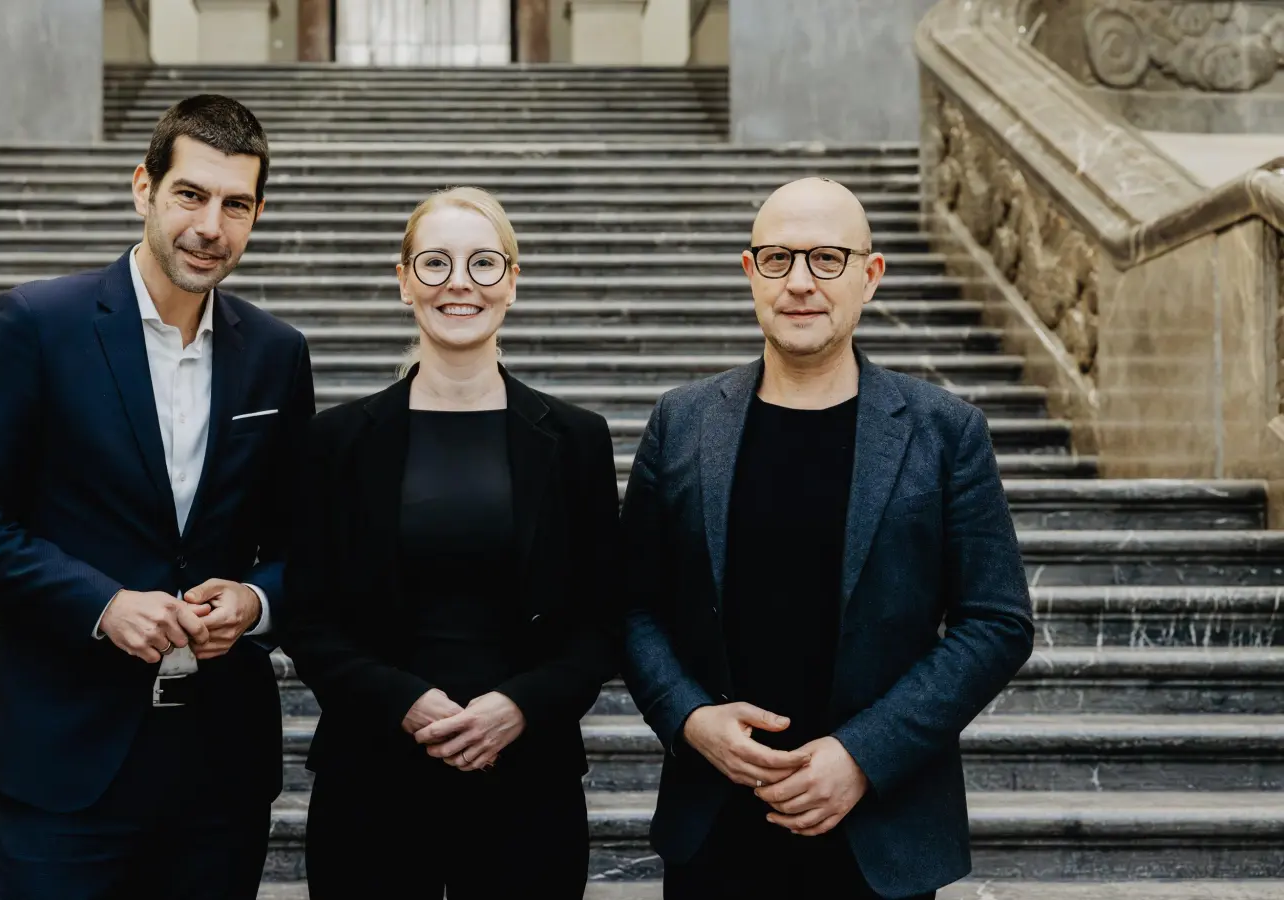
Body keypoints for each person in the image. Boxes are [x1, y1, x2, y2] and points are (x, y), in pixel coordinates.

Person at [0, 95, 314, 899]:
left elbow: (302, 543)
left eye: (235, 205)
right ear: (144, 187)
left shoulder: (278, 354)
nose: (211, 226)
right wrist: (103, 604)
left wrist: (255, 599)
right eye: (191, 195)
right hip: (66, 763)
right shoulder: (36, 324)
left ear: (256, 215)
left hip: (219, 771)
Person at [620, 177, 1035, 900]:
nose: (801, 283)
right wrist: (691, 720)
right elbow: (630, 605)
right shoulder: (682, 424)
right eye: (778, 259)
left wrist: (862, 755)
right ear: (750, 274)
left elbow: (996, 622)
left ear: (870, 276)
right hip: (716, 826)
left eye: (828, 259)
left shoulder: (945, 431)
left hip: (881, 830)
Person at [279, 186, 619, 899]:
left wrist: (518, 706)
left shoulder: (576, 440)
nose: (458, 282)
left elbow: (601, 620)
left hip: (530, 782)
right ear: (404, 281)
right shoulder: (336, 442)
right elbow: (308, 617)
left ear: (512, 282)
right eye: (434, 263)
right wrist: (404, 700)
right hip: (370, 778)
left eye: (483, 263)